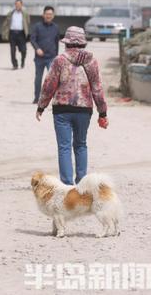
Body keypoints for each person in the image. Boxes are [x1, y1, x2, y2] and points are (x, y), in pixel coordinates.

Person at [35, 26, 108, 186]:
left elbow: (49, 85)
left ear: (67, 43)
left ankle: (67, 185)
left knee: (64, 147)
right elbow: (97, 88)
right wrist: (102, 113)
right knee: (81, 145)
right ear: (83, 43)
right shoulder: (92, 62)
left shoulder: (59, 60)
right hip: (84, 110)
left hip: (62, 110)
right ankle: (82, 184)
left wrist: (41, 105)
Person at [30, 6, 60, 104]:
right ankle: (37, 98)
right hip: (39, 58)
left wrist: (57, 57)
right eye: (47, 14)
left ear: (53, 16)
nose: (48, 16)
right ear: (43, 15)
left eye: (50, 14)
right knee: (38, 78)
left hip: (51, 57)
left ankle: (53, 99)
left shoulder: (56, 27)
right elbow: (32, 39)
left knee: (52, 79)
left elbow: (57, 43)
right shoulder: (37, 26)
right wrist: (37, 48)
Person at [1, 0, 30, 69]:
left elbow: (28, 22)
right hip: (12, 33)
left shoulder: (25, 14)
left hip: (21, 33)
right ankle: (15, 64)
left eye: (19, 4)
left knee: (23, 50)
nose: (17, 6)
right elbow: (6, 23)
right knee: (12, 50)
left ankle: (23, 61)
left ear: (21, 5)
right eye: (16, 4)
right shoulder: (11, 13)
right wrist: (5, 32)